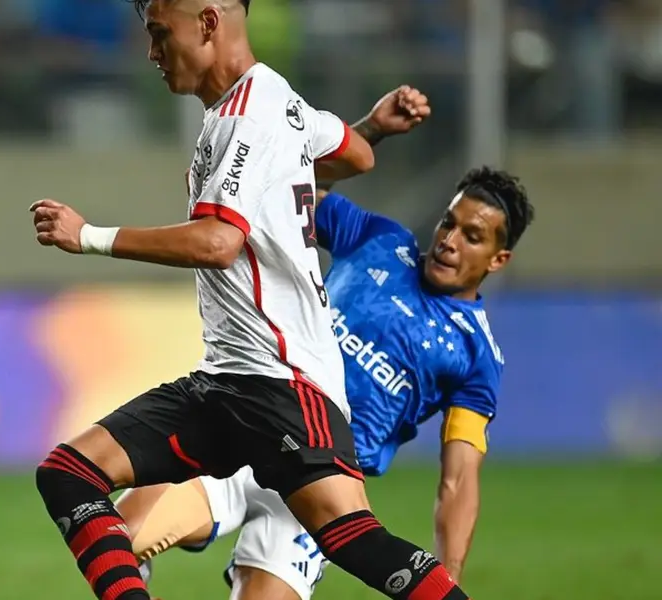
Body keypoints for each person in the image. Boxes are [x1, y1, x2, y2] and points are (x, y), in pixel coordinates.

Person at [29, 1, 468, 599]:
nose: (153, 53)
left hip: (283, 387)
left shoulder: (250, 116)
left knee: (354, 539)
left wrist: (89, 237)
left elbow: (217, 241)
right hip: (228, 385)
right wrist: (369, 127)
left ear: (208, 24)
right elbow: (353, 156)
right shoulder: (277, 104)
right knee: (68, 473)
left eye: (160, 35)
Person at [116, 121, 537, 600]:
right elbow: (287, 187)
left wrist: (448, 580)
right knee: (117, 542)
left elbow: (458, 480)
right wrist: (371, 130)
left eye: (472, 236)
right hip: (248, 427)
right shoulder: (380, 240)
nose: (449, 240)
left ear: (498, 259)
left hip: (322, 491)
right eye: (449, 223)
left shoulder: (476, 354)